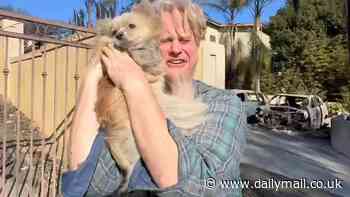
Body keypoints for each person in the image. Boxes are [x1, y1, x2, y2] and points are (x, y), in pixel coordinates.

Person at [62, 0, 247, 196]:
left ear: (198, 44)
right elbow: (83, 181)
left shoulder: (225, 104)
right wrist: (94, 72)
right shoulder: (122, 97)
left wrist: (134, 84)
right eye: (166, 40)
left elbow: (206, 187)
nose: (176, 49)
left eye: (184, 40)